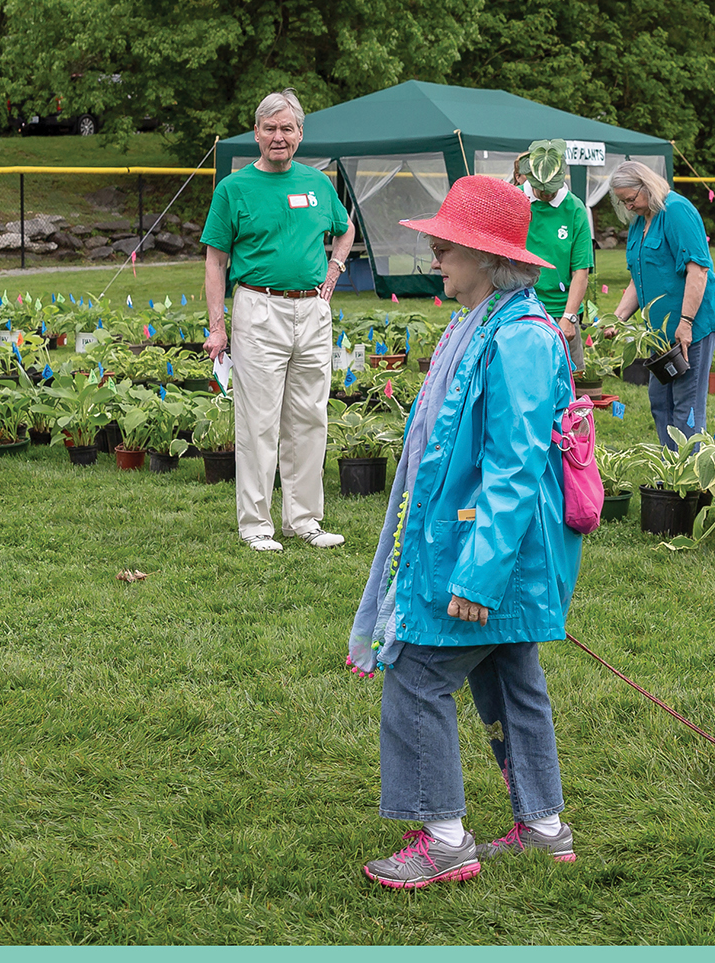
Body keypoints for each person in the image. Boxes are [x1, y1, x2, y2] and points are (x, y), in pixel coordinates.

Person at [348, 173, 581, 889]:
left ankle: (443, 838)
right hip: (483, 542)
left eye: (446, 248)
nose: (436, 260)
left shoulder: (519, 341)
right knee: (511, 677)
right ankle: (543, 827)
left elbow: (513, 467)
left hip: (488, 551)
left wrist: (479, 573)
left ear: (486, 258)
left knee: (416, 675)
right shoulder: (478, 324)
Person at [203, 89, 353, 553]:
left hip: (312, 310)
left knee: (310, 418)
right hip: (258, 308)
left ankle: (304, 520)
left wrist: (335, 270)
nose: (278, 137)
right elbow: (215, 260)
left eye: (287, 128)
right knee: (258, 421)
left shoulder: (318, 183)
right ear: (256, 133)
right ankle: (256, 526)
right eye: (270, 128)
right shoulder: (233, 189)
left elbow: (344, 229)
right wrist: (217, 325)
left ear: (300, 134)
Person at [608, 161, 715, 449]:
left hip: (693, 326)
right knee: (660, 400)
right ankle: (671, 467)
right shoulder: (640, 222)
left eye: (631, 198)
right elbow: (639, 278)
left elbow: (697, 270)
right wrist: (617, 319)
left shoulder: (676, 211)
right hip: (661, 333)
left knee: (686, 405)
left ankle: (688, 478)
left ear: (646, 185)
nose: (628, 206)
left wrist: (685, 323)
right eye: (623, 201)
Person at [515, 139, 594, 370]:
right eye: (542, 188)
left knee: (569, 384)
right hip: (519, 308)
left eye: (553, 188)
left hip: (562, 312)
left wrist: (569, 318)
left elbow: (581, 270)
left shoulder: (575, 208)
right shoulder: (515, 200)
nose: (547, 193)